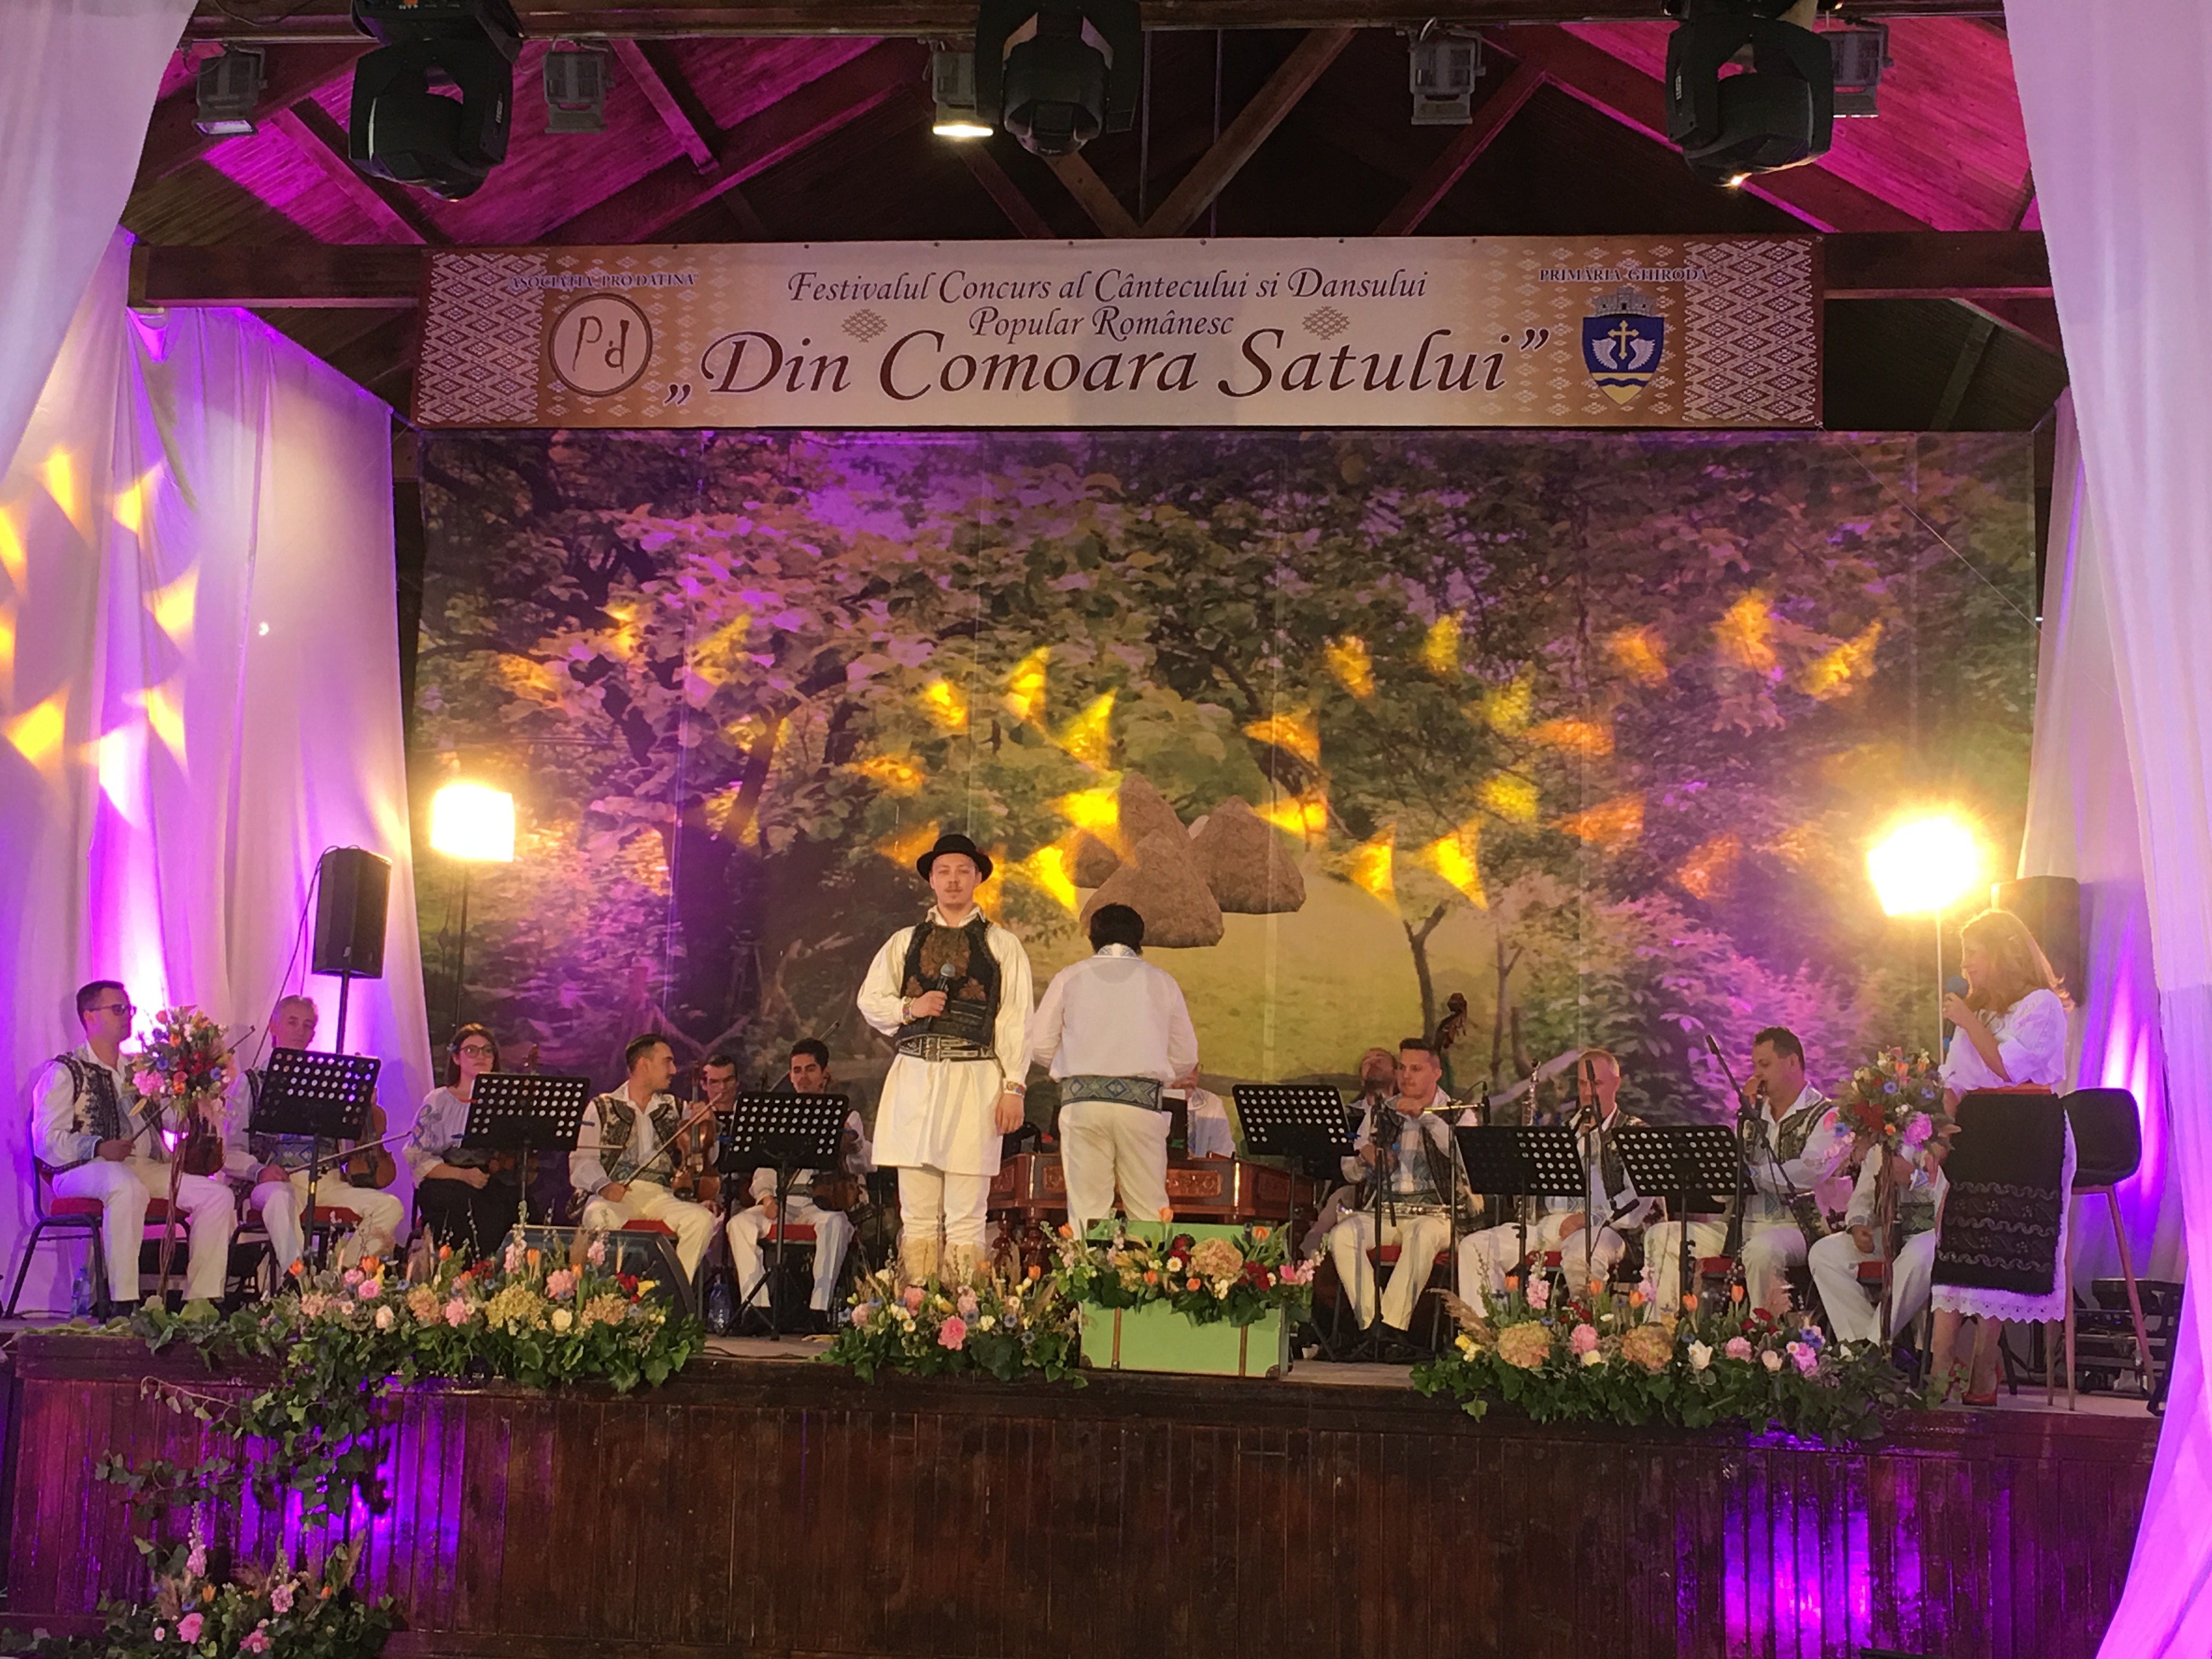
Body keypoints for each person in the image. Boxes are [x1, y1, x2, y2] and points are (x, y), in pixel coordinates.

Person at [856, 832, 1034, 1284]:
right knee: (917, 1215)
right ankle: (917, 1307)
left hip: (974, 1079)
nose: (953, 880)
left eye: (962, 871)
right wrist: (910, 1009)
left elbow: (1015, 1019)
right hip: (915, 1076)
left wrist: (1014, 1087)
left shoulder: (1001, 944)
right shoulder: (905, 941)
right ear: (931, 880)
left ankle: (964, 1310)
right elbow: (870, 999)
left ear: (977, 878)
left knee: (966, 1215)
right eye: (944, 872)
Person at [1927, 907, 2072, 1403]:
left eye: (1974, 953)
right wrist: (1938, 1138)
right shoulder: (1979, 1013)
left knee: (2000, 1250)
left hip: (2024, 1133)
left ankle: (1983, 1368)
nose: (1966, 965)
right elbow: (1955, 1084)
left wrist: (1967, 1020)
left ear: (2003, 954)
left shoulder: (2041, 1005)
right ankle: (1939, 1369)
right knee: (1956, 1250)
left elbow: (2008, 1067)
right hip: (1976, 1131)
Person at [31, 981, 236, 1308]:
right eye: (118, 1009)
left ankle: (202, 1302)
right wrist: (98, 1147)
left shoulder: (141, 1069)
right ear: (89, 1016)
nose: (127, 1016)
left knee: (217, 1196)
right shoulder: (66, 1071)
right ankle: (123, 1301)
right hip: (82, 1170)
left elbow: (170, 1121)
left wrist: (195, 1096)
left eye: (129, 1009)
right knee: (126, 1186)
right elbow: (47, 1142)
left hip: (144, 1167)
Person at [1644, 1026, 1852, 1314]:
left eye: (1765, 1065)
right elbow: (1728, 1187)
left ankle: (1764, 1335)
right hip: (1740, 1227)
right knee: (1663, 1235)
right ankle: (1661, 1329)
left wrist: (1751, 1174)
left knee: (1761, 1250)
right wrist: (1714, 1177)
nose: (1757, 1075)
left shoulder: (1831, 1117)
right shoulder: (1751, 1115)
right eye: (1755, 1066)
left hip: (1799, 1229)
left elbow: (1808, 1172)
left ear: (1792, 1062)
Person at [1029, 903, 1199, 1239]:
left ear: (1092, 937)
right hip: (1140, 1107)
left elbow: (1039, 1045)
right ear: (1140, 939)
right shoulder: (1161, 981)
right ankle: (1149, 1272)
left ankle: (1087, 1273)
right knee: (1148, 1211)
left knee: (1087, 1212)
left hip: (1083, 1105)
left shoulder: (1070, 977)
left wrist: (1075, 1066)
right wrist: (1154, 1071)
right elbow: (1186, 1056)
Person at [228, 994, 404, 1273]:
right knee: (279, 1199)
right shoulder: (251, 1082)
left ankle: (340, 1279)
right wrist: (259, 1171)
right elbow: (230, 1151)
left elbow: (347, 1148)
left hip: (328, 1182)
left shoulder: (329, 1082)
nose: (300, 1031)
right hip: (278, 1182)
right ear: (273, 1027)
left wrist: (361, 1111)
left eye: (307, 1025)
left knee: (390, 1207)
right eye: (292, 1022)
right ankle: (299, 1280)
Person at [1457, 1049, 1652, 1297]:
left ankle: (1584, 1320)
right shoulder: (1565, 1132)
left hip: (1607, 1231)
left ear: (1616, 1083)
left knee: (1583, 1254)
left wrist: (1589, 1218)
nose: (1588, 1092)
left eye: (1597, 1083)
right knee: (1475, 1247)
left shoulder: (1634, 1132)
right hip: (1549, 1225)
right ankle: (1489, 1322)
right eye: (1582, 1084)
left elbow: (1637, 1200)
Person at [1325, 1039, 1476, 1358]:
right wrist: (1365, 1157)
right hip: (1386, 1212)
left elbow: (1467, 1160)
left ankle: (1393, 1328)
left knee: (1422, 1234)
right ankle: (1373, 1327)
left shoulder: (1459, 1113)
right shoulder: (1382, 1111)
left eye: (1416, 1069)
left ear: (1436, 1073)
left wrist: (1426, 1117)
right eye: (1403, 1068)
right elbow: (1349, 1171)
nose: (1407, 1076)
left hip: (1440, 1216)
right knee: (1342, 1235)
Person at [725, 1040, 870, 1333]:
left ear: (825, 1073)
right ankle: (757, 1308)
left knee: (835, 1224)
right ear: (790, 1076)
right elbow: (764, 1170)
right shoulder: (778, 1115)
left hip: (821, 1206)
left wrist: (853, 1144)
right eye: (797, 1071)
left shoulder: (847, 1116)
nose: (803, 1077)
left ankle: (819, 1309)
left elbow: (863, 1164)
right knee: (739, 1224)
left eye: (810, 1069)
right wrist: (767, 1200)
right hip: (782, 1202)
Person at [571, 1034, 720, 1279]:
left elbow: (705, 1154)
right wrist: (604, 1186)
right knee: (599, 1215)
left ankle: (672, 1291)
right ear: (644, 1064)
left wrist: (708, 1121)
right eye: (667, 1062)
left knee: (702, 1221)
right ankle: (609, 1293)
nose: (673, 1070)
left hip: (662, 1195)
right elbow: (583, 1160)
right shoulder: (601, 1107)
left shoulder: (676, 1108)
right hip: (617, 1195)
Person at [1807, 1120, 1944, 1348]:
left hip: (1936, 1234)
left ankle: (1874, 1346)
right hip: (1891, 1234)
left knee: (1917, 1255)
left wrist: (1914, 1178)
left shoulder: (1948, 1134)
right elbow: (1864, 1195)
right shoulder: (1885, 1137)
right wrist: (1858, 1224)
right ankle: (1859, 1349)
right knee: (1824, 1253)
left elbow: (1953, 1192)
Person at [405, 1025, 524, 1257]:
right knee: (465, 1204)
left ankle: (509, 1274)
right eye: (471, 1050)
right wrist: (462, 1175)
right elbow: (418, 1156)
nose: (481, 1056)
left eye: (487, 1051)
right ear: (456, 1058)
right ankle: (464, 1271)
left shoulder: (505, 1102)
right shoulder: (439, 1101)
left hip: (487, 1179)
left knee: (520, 1204)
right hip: (447, 1179)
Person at [1299, 1046, 1396, 1255]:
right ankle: (1311, 1254)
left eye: (1380, 1058)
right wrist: (1362, 1159)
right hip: (1353, 1190)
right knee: (1342, 1195)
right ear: (1361, 1079)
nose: (1373, 1062)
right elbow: (1333, 1166)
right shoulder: (1344, 1116)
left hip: (1395, 1195)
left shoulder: (1405, 1112)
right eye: (1367, 1061)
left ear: (1397, 1074)